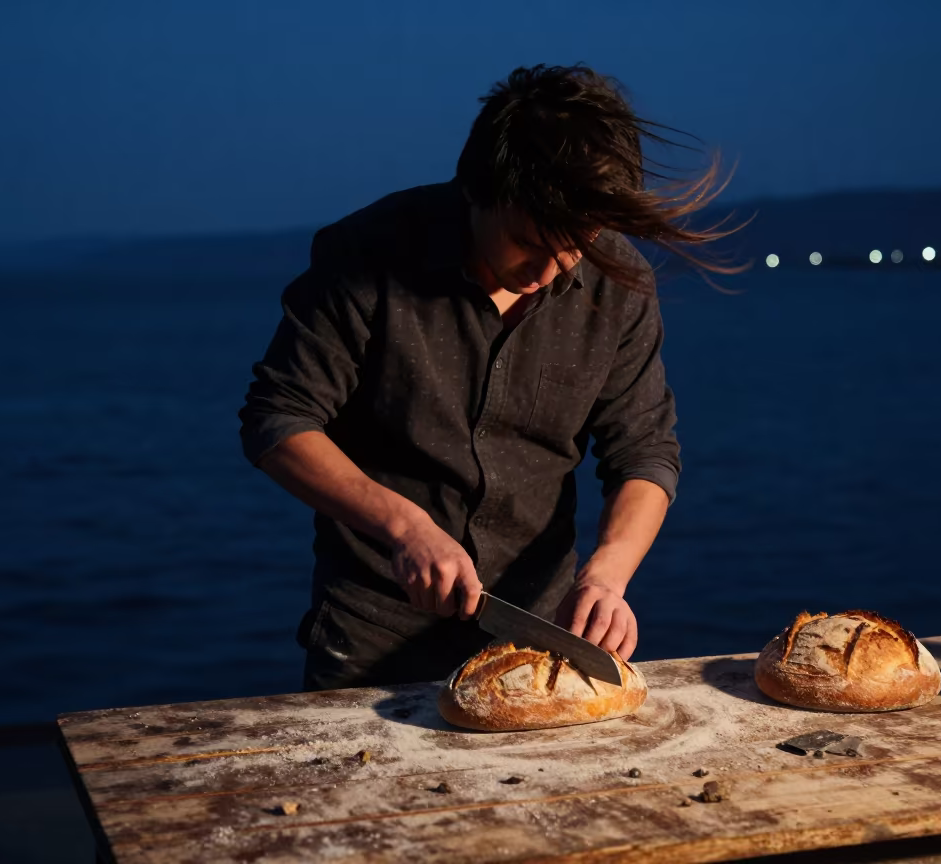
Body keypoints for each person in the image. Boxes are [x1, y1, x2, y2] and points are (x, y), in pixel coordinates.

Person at [239, 63, 738, 691]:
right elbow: (277, 420)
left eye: (576, 243)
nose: (553, 268)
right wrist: (406, 527)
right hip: (370, 633)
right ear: (476, 191)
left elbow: (644, 451)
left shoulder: (619, 284)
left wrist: (607, 576)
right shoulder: (365, 253)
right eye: (527, 241)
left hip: (539, 635)